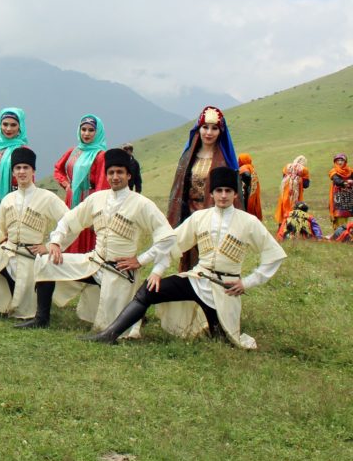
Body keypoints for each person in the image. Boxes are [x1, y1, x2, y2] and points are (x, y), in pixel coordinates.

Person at [87, 167, 287, 349]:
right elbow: (172, 244)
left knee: (223, 340)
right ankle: (109, 334)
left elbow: (274, 255)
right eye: (219, 191)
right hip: (197, 279)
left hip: (225, 289)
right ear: (211, 194)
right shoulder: (200, 217)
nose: (223, 195)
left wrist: (247, 282)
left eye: (228, 191)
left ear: (236, 194)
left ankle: (217, 328)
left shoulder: (249, 222)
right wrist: (157, 272)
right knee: (147, 291)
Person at [21, 148, 175, 335]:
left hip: (121, 271)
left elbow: (167, 237)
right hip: (94, 262)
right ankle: (41, 318)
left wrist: (141, 260)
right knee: (46, 261)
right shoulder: (97, 199)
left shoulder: (142, 204)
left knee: (109, 327)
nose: (115, 177)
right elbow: (69, 220)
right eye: (111, 172)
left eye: (120, 172)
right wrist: (55, 242)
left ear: (128, 175)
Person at [0, 147, 68, 320]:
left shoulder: (47, 197)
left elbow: (68, 222)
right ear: (13, 172)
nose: (22, 172)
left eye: (26, 167)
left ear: (33, 171)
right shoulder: (8, 199)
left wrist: (49, 245)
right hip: (8, 252)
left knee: (28, 294)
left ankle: (33, 311)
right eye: (18, 168)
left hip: (31, 256)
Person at [166, 106, 240, 271]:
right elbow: (179, 187)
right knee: (190, 254)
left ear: (220, 132)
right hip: (190, 212)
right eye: (205, 127)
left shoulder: (225, 160)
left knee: (211, 254)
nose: (209, 132)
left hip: (214, 210)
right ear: (198, 128)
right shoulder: (188, 157)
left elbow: (231, 191)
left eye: (214, 128)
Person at [52, 115, 108, 254]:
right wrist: (66, 185)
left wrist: (96, 208)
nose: (86, 133)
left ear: (98, 132)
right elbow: (58, 168)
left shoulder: (100, 155)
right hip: (71, 198)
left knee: (86, 231)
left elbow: (102, 182)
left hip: (89, 198)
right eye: (83, 129)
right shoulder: (73, 152)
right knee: (69, 226)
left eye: (91, 130)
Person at [273, 155, 311, 230]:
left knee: (283, 209)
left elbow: (283, 177)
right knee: (295, 208)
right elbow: (306, 185)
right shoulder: (304, 170)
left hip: (285, 192)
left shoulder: (287, 167)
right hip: (297, 194)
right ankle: (292, 228)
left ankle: (281, 228)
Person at [327, 153, 353, 232]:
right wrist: (345, 183)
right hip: (338, 195)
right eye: (338, 160)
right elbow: (337, 180)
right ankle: (339, 233)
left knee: (347, 213)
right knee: (339, 213)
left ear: (345, 161)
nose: (340, 162)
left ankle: (346, 232)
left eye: (342, 160)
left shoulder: (350, 171)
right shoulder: (333, 171)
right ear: (335, 162)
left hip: (349, 195)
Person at [238, 153, 263, 220]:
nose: (238, 162)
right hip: (253, 191)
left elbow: (246, 175)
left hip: (246, 193)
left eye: (239, 160)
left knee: (247, 210)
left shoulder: (244, 168)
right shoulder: (251, 167)